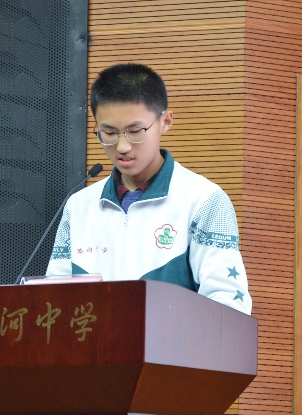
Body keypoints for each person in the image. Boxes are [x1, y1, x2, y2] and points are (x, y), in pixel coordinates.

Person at [46, 63, 252, 315]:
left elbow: (228, 304)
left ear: (165, 121)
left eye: (135, 131)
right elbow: (52, 301)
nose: (122, 146)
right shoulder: (79, 205)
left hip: (171, 341)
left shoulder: (204, 200)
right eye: (108, 133)